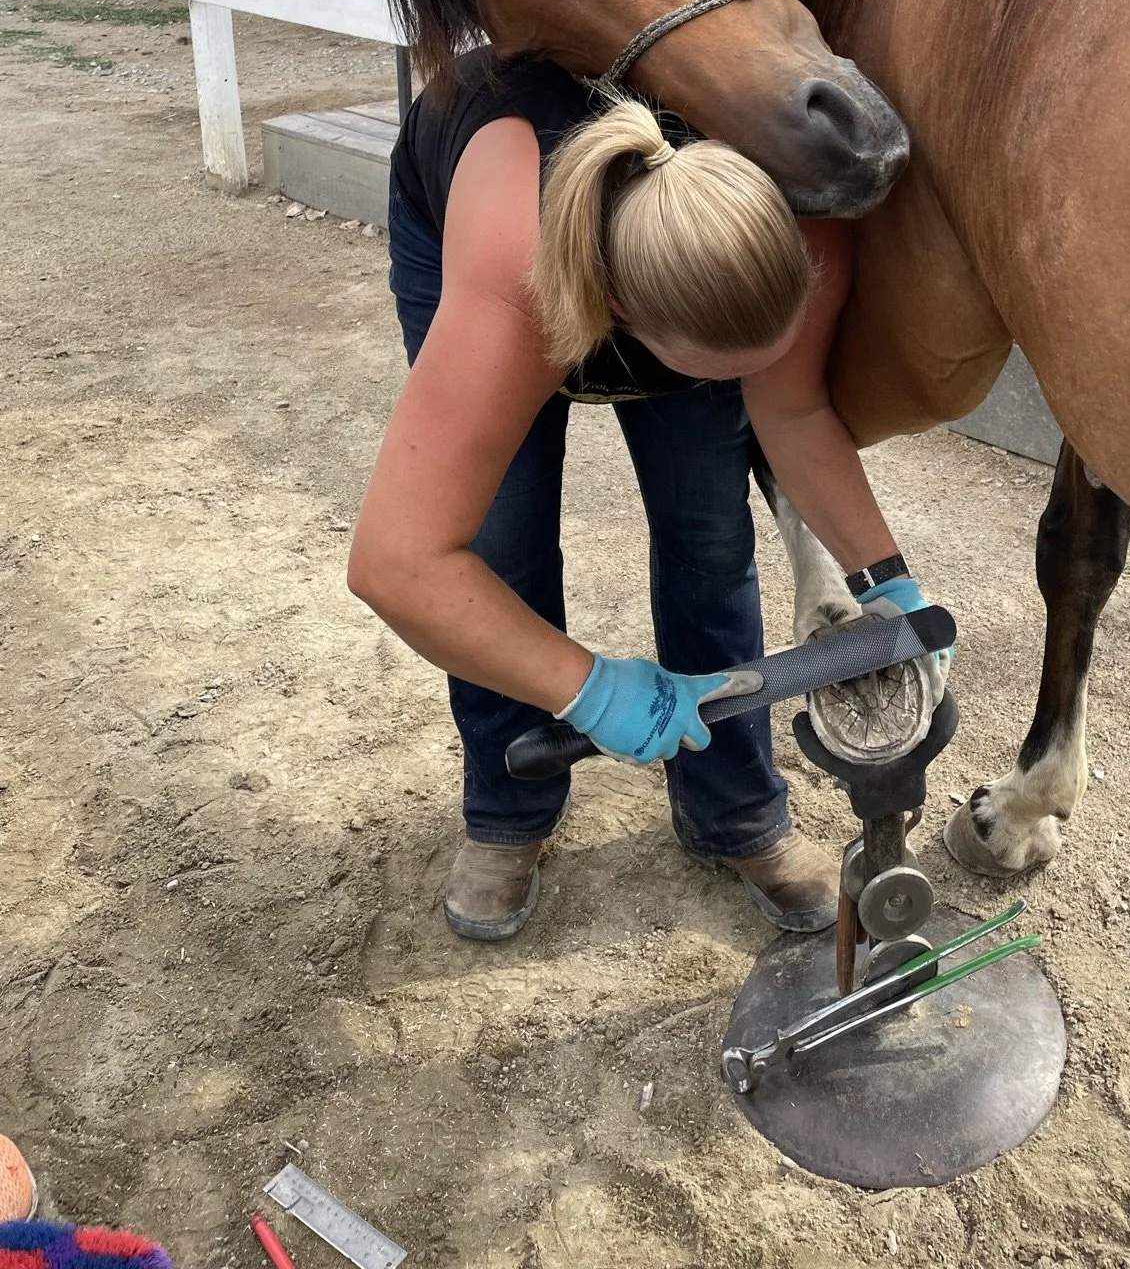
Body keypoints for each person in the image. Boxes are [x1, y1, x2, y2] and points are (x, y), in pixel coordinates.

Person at [348, 52, 933, 942]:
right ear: (622, 316)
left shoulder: (797, 214)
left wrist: (888, 581)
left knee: (709, 530)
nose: (753, 386)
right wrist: (588, 691)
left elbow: (797, 408)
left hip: (681, 253)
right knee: (499, 541)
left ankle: (737, 812)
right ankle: (507, 810)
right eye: (730, 375)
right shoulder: (518, 282)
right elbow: (404, 564)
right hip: (489, 219)